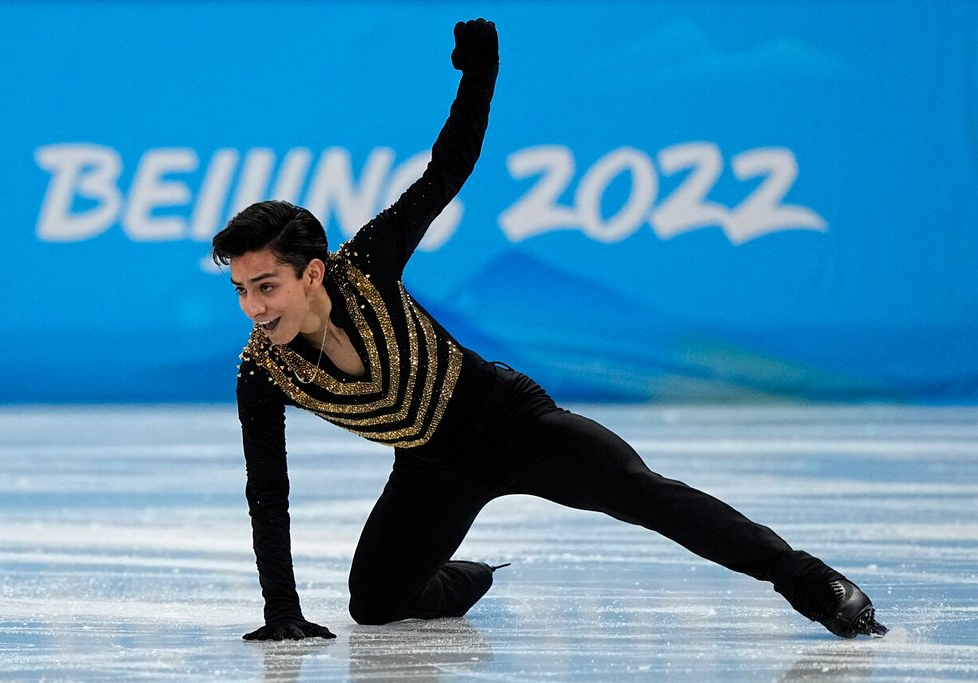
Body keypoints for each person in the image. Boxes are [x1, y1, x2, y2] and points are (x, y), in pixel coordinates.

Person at [211, 18, 887, 642]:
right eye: (241, 290)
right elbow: (267, 492)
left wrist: (479, 75)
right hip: (430, 467)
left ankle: (809, 579)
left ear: (313, 275)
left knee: (639, 492)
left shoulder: (368, 265)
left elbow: (446, 170)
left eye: (265, 286)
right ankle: (469, 575)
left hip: (511, 421)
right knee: (376, 603)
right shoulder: (262, 373)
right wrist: (283, 612)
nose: (254, 307)